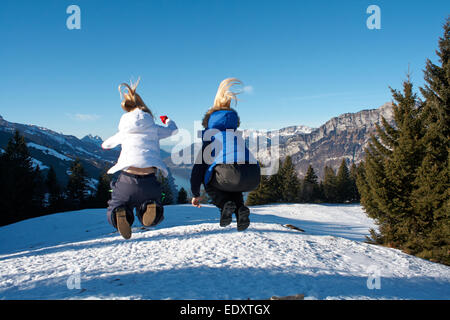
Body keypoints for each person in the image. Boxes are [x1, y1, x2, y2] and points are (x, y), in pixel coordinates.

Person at [102, 79, 178, 239]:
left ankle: (120, 213)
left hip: (126, 180)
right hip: (150, 180)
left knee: (116, 204)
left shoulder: (124, 132)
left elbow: (105, 145)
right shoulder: (155, 129)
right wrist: (167, 120)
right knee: (154, 210)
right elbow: (173, 131)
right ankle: (150, 207)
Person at [190, 78, 260, 231]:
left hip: (232, 173)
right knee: (233, 182)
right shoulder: (237, 137)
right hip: (253, 174)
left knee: (209, 180)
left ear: (209, 123)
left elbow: (198, 170)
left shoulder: (211, 138)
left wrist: (196, 193)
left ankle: (224, 205)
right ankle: (240, 208)